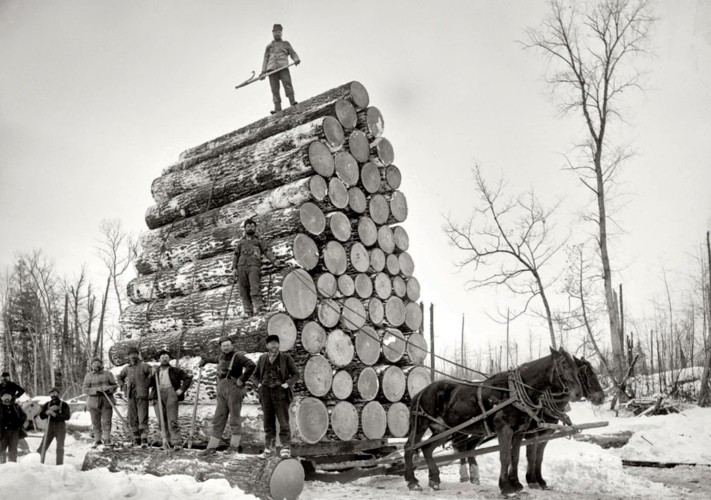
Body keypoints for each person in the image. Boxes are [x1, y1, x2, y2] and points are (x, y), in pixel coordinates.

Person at [199, 336, 255, 455]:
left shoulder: (238, 356)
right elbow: (213, 358)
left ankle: (234, 447)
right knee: (219, 418)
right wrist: (204, 361)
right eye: (224, 346)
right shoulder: (220, 357)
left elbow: (251, 365)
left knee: (234, 418)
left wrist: (242, 379)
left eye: (228, 345)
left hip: (234, 388)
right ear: (221, 347)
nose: (226, 347)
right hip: (221, 389)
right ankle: (211, 447)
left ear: (232, 345)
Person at [253, 334, 299, 458]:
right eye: (271, 343)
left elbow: (296, 374)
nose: (274, 345)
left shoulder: (286, 358)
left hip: (280, 393)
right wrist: (259, 385)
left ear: (279, 345)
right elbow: (254, 375)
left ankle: (285, 448)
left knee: (283, 422)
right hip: (266, 394)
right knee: (268, 422)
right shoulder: (262, 358)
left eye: (276, 343)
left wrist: (287, 384)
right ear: (267, 346)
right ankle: (269, 448)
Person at [233, 218, 279, 317]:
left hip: (254, 266)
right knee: (243, 290)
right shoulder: (241, 242)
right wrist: (234, 268)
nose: (250, 228)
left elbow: (266, 251)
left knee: (255, 287)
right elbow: (236, 254)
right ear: (245, 228)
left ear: (255, 228)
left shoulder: (259, 240)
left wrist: (274, 260)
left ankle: (259, 308)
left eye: (252, 226)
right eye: (248, 226)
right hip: (241, 267)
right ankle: (248, 311)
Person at [148, 350, 193, 450]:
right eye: (162, 357)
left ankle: (176, 442)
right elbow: (149, 384)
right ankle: (165, 441)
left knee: (172, 419)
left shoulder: (175, 370)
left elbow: (188, 378)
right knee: (161, 420)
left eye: (166, 357)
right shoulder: (156, 370)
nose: (164, 358)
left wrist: (181, 390)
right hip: (158, 394)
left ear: (169, 359)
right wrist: (152, 374)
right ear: (159, 359)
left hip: (171, 393)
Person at [116, 346, 153, 448]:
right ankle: (136, 438)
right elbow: (119, 377)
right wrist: (123, 386)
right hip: (131, 396)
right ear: (128, 356)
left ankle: (144, 439)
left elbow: (152, 370)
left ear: (138, 355)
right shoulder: (127, 368)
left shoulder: (143, 366)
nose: (133, 356)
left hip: (142, 395)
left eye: (135, 354)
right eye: (131, 354)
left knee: (143, 417)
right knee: (133, 417)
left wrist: (152, 371)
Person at [260, 23, 300, 114]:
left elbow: (293, 53)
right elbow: (265, 59)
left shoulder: (286, 44)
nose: (277, 34)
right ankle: (277, 108)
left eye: (279, 32)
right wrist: (263, 72)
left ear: (281, 33)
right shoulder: (269, 46)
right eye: (275, 32)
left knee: (287, 84)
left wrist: (296, 59)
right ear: (272, 33)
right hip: (271, 70)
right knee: (274, 89)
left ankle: (292, 102)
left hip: (283, 67)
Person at [82, 357, 118, 448]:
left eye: (98, 363)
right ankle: (97, 440)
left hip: (107, 401)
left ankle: (107, 439)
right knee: (95, 422)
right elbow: (85, 390)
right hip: (93, 403)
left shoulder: (108, 374)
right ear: (91, 365)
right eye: (94, 363)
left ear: (101, 364)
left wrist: (108, 388)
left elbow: (115, 386)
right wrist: (96, 390)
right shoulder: (88, 375)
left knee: (107, 421)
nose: (96, 365)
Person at [37, 387, 70, 465]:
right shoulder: (47, 404)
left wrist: (55, 414)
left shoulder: (64, 404)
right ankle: (38, 463)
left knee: (60, 447)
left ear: (58, 393)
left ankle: (59, 465)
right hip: (50, 426)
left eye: (54, 392)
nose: (53, 394)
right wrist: (46, 412)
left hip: (60, 427)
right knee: (43, 446)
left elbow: (67, 417)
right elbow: (41, 416)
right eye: (51, 393)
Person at [0, 389, 26, 463]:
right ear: (1, 397)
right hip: (2, 432)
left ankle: (13, 464)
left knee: (13, 448)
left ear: (11, 397)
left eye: (9, 396)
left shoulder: (16, 406)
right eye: (5, 396)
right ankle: (1, 465)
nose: (7, 397)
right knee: (1, 448)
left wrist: (19, 424)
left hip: (14, 431)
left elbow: (24, 415)